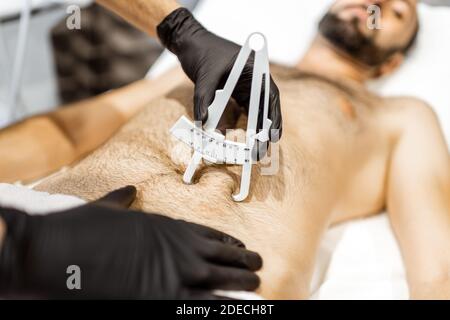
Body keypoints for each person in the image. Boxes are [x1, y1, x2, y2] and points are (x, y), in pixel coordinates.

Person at [20, 0, 449, 299]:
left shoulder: (399, 115)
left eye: (397, 12)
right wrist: (185, 33)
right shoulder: (205, 59)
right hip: (45, 232)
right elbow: (72, 132)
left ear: (392, 63)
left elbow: (437, 270)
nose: (377, 2)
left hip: (217, 287)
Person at [0, 0, 286, 299]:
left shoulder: (331, 103)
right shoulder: (177, 84)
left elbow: (71, 132)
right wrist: (24, 249)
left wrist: (179, 28)